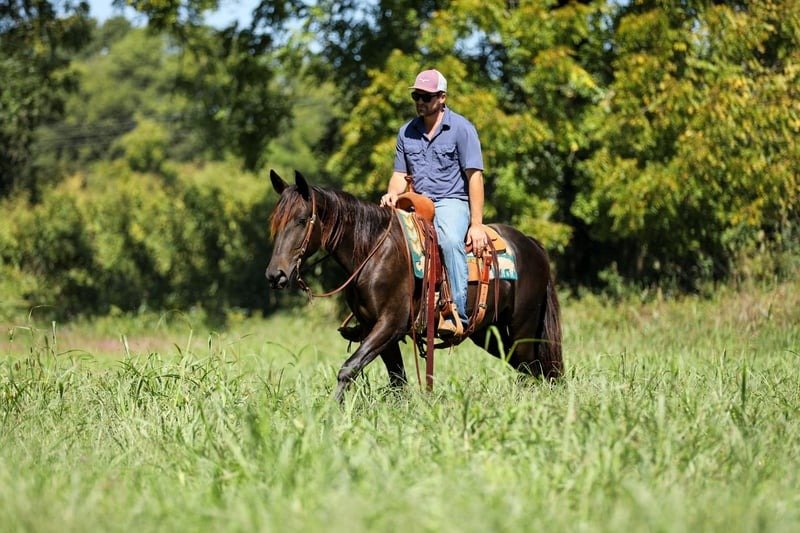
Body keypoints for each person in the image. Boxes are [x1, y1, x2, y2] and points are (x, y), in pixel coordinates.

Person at [380, 68, 488, 335]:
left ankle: (456, 314)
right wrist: (393, 194)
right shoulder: (406, 132)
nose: (420, 102)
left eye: (426, 97)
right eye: (416, 96)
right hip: (416, 202)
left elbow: (474, 176)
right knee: (383, 240)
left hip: (451, 201)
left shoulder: (462, 129)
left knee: (450, 240)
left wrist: (476, 224)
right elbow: (398, 175)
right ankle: (380, 310)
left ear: (442, 98)